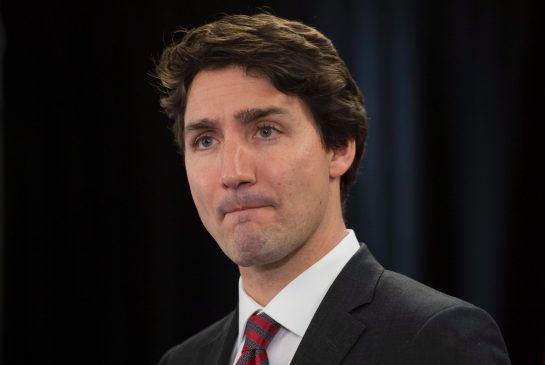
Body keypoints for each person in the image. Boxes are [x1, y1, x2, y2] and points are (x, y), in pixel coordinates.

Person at [154, 13, 510, 365]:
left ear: (339, 147)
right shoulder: (183, 359)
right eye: (204, 140)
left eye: (265, 131)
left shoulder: (437, 339)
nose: (232, 173)